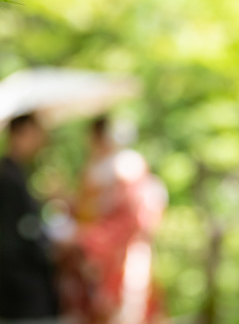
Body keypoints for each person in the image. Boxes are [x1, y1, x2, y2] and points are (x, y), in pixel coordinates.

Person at [65, 116, 166, 324]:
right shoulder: (99, 168)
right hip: (102, 251)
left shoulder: (125, 167)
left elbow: (135, 215)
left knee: (128, 305)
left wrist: (90, 237)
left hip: (119, 250)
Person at [0, 114, 61, 324]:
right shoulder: (7, 176)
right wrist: (48, 249)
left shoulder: (15, 174)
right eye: (35, 134)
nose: (40, 141)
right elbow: (19, 231)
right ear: (19, 134)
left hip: (23, 285)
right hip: (22, 286)